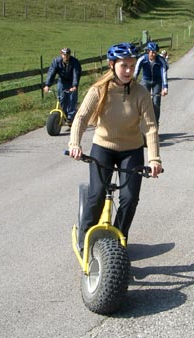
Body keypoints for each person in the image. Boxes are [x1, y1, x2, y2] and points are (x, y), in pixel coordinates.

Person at [68, 42, 163, 252]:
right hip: (103, 148)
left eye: (132, 65)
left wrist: (154, 159)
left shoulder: (141, 94)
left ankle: (119, 239)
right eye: (124, 66)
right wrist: (74, 143)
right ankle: (85, 238)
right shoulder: (99, 90)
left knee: (130, 198)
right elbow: (82, 117)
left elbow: (150, 128)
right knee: (97, 194)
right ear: (112, 65)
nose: (129, 71)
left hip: (132, 150)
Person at [133, 41, 168, 127]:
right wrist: (132, 84)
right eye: (152, 52)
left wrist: (165, 87)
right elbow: (136, 72)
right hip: (146, 80)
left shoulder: (160, 60)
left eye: (155, 52)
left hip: (157, 81)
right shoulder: (142, 59)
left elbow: (164, 73)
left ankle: (155, 124)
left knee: (156, 103)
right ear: (148, 51)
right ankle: (143, 123)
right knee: (143, 102)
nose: (154, 54)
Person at [43, 47, 81, 124]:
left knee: (72, 98)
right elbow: (51, 72)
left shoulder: (75, 62)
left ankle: (71, 117)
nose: (65, 56)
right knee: (62, 98)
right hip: (62, 81)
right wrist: (47, 85)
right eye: (64, 54)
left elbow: (76, 74)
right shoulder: (56, 61)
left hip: (72, 82)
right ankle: (63, 115)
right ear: (61, 54)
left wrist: (74, 86)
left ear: (70, 55)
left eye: (67, 54)